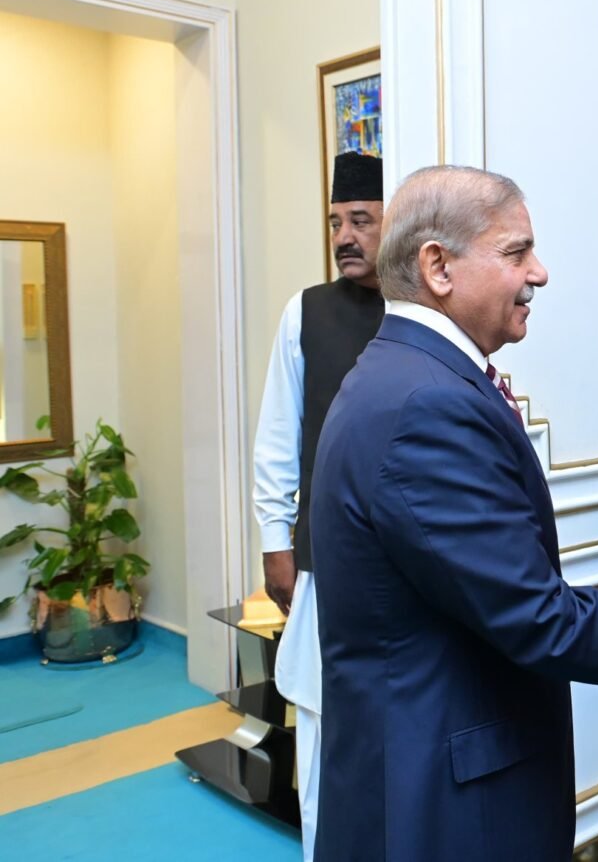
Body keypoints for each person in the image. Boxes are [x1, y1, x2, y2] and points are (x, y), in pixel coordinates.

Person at [309, 166, 598, 862]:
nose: (541, 272)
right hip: (444, 802)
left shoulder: (405, 374)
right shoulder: (423, 406)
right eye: (516, 251)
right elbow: (538, 619)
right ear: (437, 266)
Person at [250, 150, 385, 861]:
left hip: (406, 564)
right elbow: (277, 434)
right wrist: (277, 541)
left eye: (360, 219)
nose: (344, 237)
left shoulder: (426, 310)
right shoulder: (307, 311)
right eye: (337, 221)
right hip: (323, 558)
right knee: (323, 723)